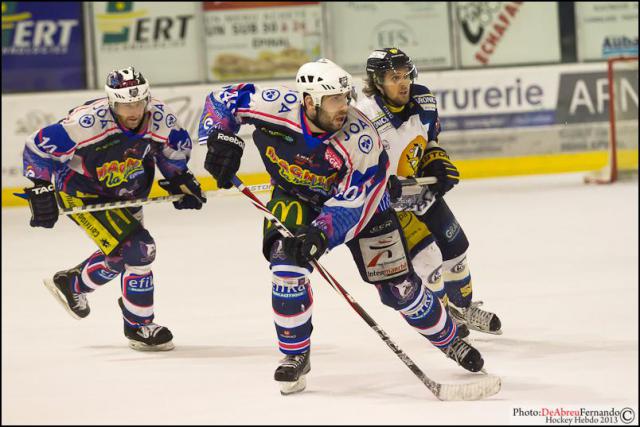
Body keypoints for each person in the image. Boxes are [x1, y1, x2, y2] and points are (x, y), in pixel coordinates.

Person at [198, 58, 485, 395]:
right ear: (309, 101)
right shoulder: (274, 106)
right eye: (334, 99)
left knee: (400, 289)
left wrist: (322, 231)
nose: (344, 107)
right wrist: (219, 137)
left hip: (365, 210)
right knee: (286, 265)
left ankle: (449, 339)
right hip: (295, 196)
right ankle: (295, 356)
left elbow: (354, 202)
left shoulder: (360, 137)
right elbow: (222, 100)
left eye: (345, 97)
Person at [22, 66, 206, 351]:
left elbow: (171, 150)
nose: (133, 111)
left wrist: (179, 178)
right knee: (140, 249)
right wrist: (41, 188)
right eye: (124, 104)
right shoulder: (87, 123)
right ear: (111, 102)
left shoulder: (160, 116)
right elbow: (37, 147)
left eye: (138, 102)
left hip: (128, 190)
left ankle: (73, 285)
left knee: (123, 255)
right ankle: (139, 325)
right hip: (82, 192)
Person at [356, 48, 502, 336]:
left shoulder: (424, 100)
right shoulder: (364, 116)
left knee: (456, 246)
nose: (403, 82)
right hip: (385, 204)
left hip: (416, 188)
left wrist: (437, 160)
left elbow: (429, 143)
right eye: (394, 77)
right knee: (429, 258)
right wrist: (378, 181)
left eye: (406, 75)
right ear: (377, 82)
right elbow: (354, 167)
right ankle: (445, 316)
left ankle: (465, 308)